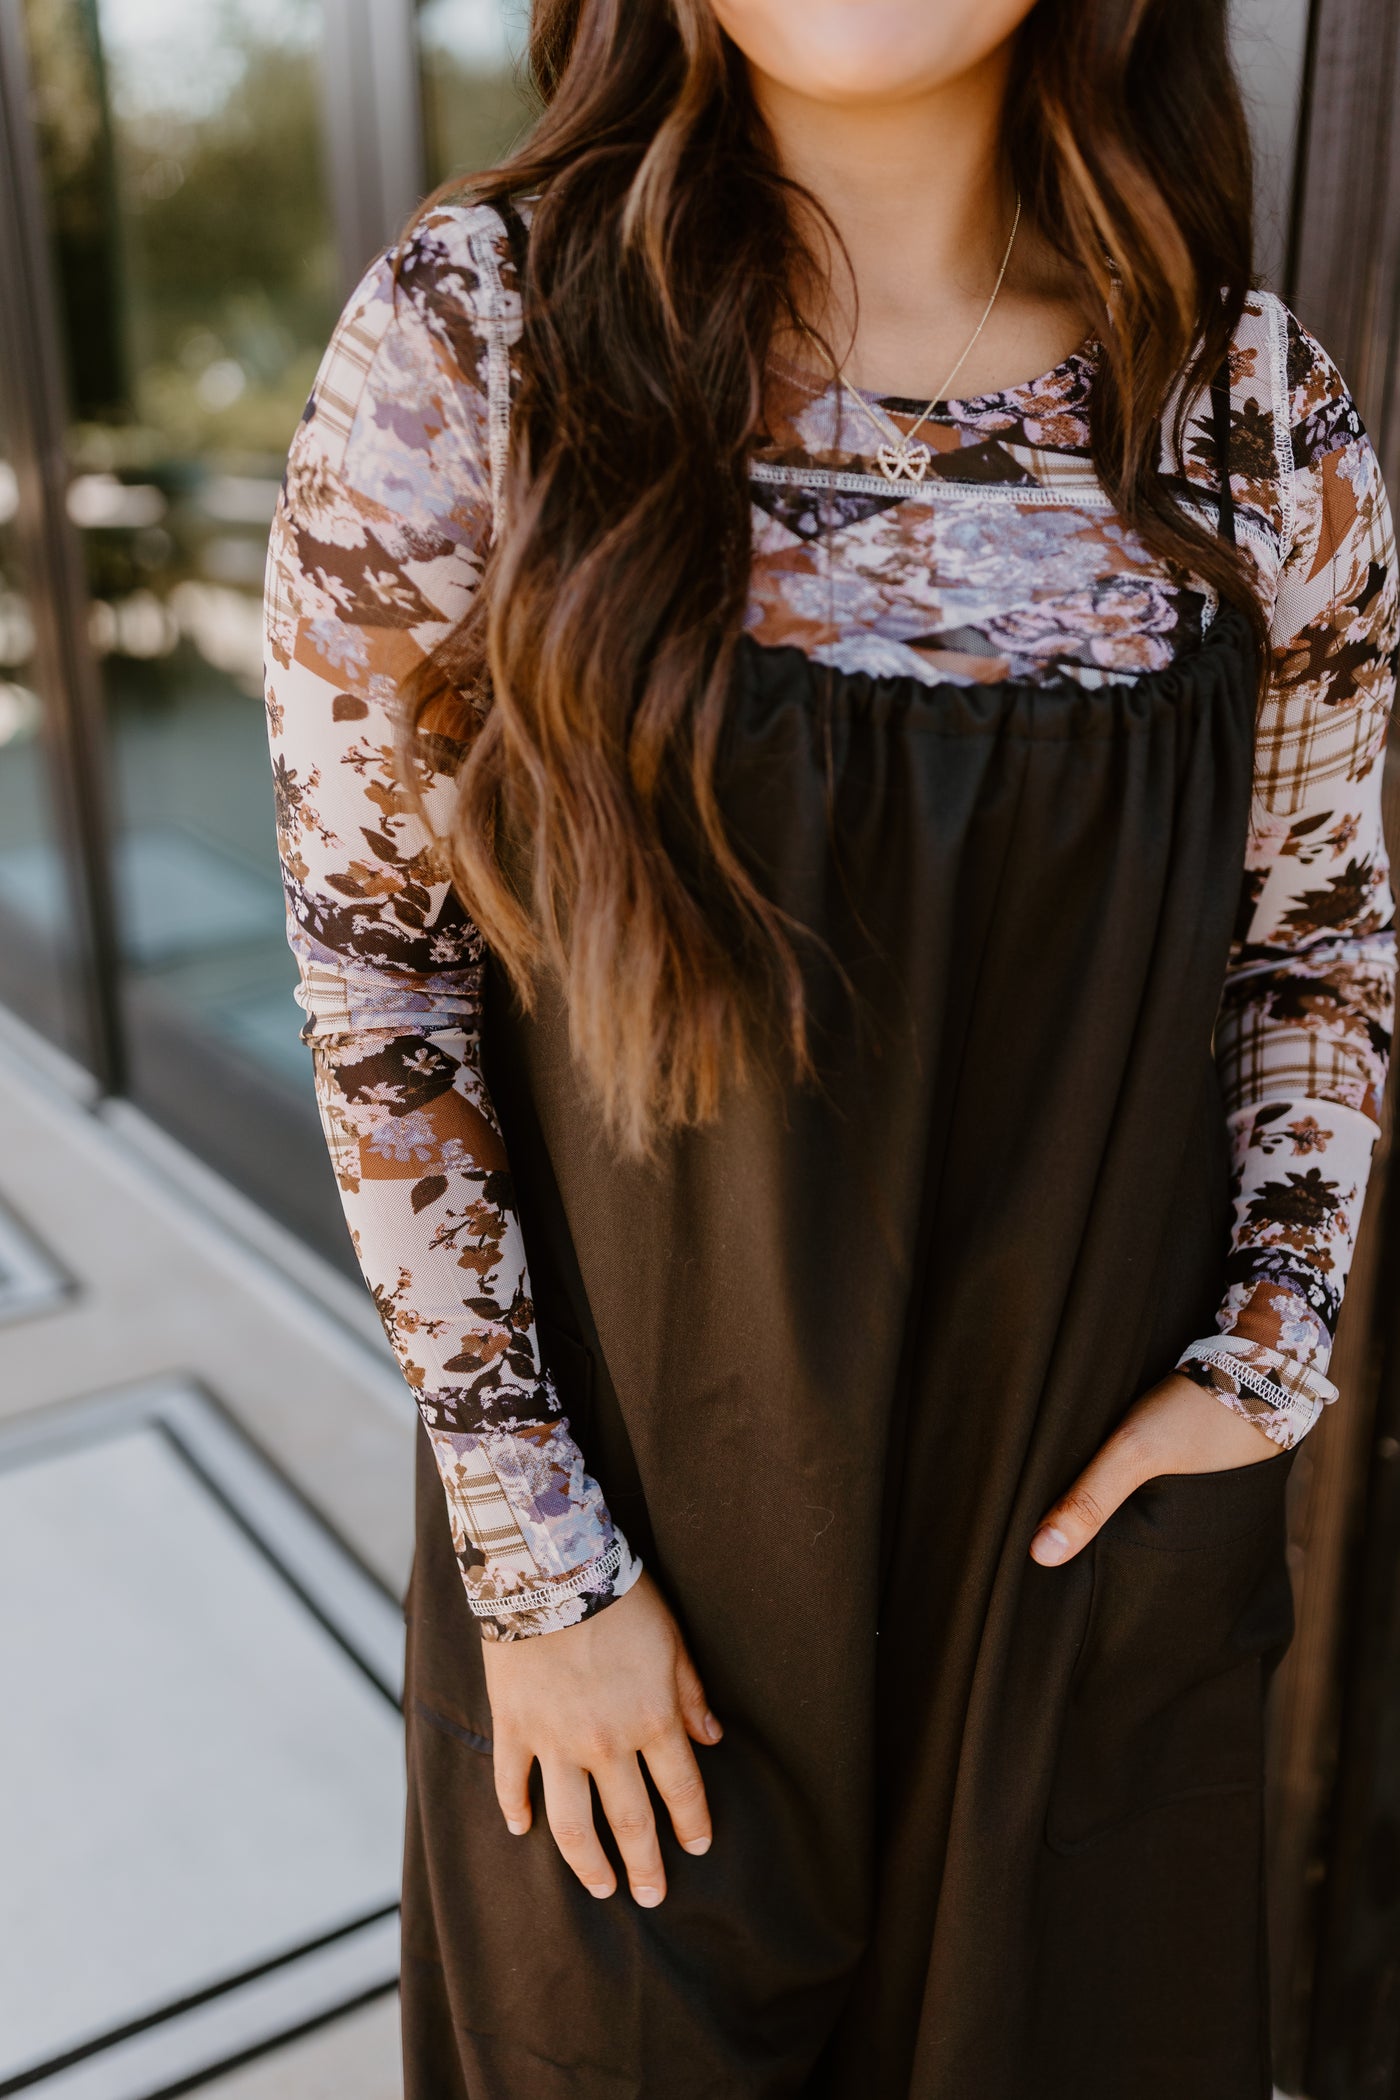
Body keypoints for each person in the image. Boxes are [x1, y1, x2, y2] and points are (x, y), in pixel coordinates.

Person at [262, 1, 1397, 2092]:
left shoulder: (1246, 413)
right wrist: (538, 1567)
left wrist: (1264, 1366)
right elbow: (380, 977)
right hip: (643, 1597)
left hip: (1071, 1577)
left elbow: (1315, 950)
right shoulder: (481, 339)